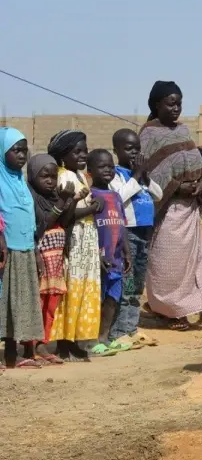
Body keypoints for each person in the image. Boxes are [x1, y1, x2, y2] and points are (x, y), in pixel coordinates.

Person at [140, 81, 202, 331]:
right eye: (171, 103)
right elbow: (147, 176)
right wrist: (175, 186)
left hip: (189, 210)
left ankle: (181, 307)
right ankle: (169, 311)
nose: (176, 109)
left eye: (179, 103)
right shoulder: (149, 134)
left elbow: (199, 166)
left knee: (190, 263)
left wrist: (201, 185)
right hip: (167, 211)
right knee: (167, 264)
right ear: (156, 105)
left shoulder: (184, 131)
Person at [48, 129, 103, 362]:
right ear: (63, 155)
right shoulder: (63, 177)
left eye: (85, 151)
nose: (83, 155)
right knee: (71, 288)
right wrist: (91, 208)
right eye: (77, 151)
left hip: (87, 241)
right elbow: (65, 216)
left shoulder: (80, 176)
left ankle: (76, 341)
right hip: (74, 240)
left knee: (82, 289)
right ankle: (64, 342)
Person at [109, 129, 161, 348]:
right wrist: (137, 175)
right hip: (128, 233)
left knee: (137, 285)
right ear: (116, 151)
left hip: (144, 233)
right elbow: (119, 198)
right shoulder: (115, 175)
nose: (134, 152)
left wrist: (145, 177)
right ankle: (120, 331)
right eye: (128, 148)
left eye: (137, 148)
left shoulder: (139, 175)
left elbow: (158, 194)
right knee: (127, 283)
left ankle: (131, 329)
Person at [0, 129, 46, 368]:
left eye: (24, 150)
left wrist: (36, 250)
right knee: (6, 302)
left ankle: (22, 352)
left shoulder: (22, 183)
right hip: (6, 252)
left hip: (26, 249)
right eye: (16, 150)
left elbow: (31, 219)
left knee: (24, 301)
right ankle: (9, 354)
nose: (22, 155)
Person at [27, 153, 73, 364]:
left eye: (53, 177)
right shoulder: (32, 198)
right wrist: (62, 202)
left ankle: (44, 343)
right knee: (37, 303)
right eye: (44, 176)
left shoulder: (54, 197)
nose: (50, 181)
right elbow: (43, 224)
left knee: (51, 303)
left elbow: (64, 221)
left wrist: (70, 201)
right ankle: (30, 347)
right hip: (40, 259)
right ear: (32, 176)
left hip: (56, 261)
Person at [87, 149, 132, 356]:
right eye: (102, 166)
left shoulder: (115, 196)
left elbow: (121, 227)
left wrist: (127, 253)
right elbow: (89, 229)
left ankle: (106, 336)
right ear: (90, 170)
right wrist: (97, 253)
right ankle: (93, 339)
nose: (108, 170)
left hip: (116, 259)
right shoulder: (90, 196)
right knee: (98, 299)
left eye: (111, 166)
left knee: (113, 299)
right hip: (100, 259)